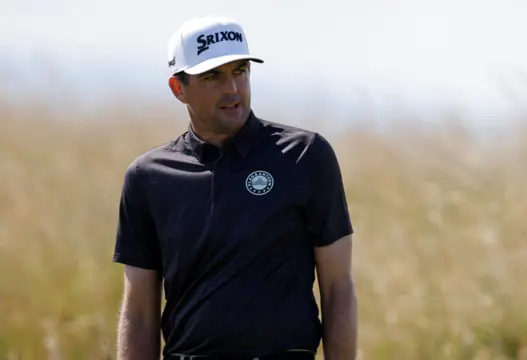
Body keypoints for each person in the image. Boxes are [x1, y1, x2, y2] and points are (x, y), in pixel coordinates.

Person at [112, 14, 357, 360]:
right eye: (213, 76)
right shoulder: (148, 177)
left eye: (240, 70)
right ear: (178, 88)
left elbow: (338, 289)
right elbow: (138, 311)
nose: (232, 89)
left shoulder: (305, 156)